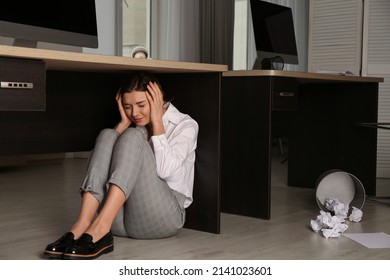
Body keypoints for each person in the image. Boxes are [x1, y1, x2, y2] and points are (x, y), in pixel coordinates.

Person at [44, 72, 199, 260]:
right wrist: (122, 125)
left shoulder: (186, 125)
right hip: (120, 222)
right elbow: (96, 171)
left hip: (164, 219)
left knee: (133, 136)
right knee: (108, 134)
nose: (134, 113)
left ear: (158, 100)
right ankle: (83, 224)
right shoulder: (133, 124)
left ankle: (100, 227)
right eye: (128, 107)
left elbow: (166, 170)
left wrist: (157, 122)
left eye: (141, 105)